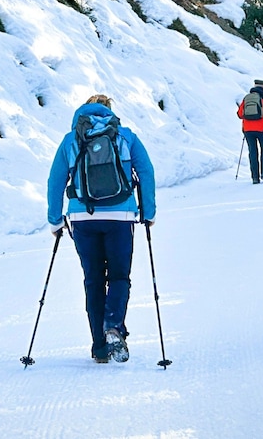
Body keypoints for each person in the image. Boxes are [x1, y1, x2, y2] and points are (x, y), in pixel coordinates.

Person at [47, 94, 155, 364]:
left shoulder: (71, 139)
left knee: (93, 280)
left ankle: (99, 348)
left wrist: (55, 219)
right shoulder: (126, 136)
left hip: (83, 218)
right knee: (119, 276)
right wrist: (148, 213)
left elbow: (55, 180)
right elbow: (147, 172)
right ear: (110, 112)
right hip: (121, 216)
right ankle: (113, 325)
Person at [237, 79, 263, 184]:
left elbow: (240, 114)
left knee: (252, 152)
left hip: (247, 130)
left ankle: (254, 177)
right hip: (262, 128)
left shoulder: (246, 98)